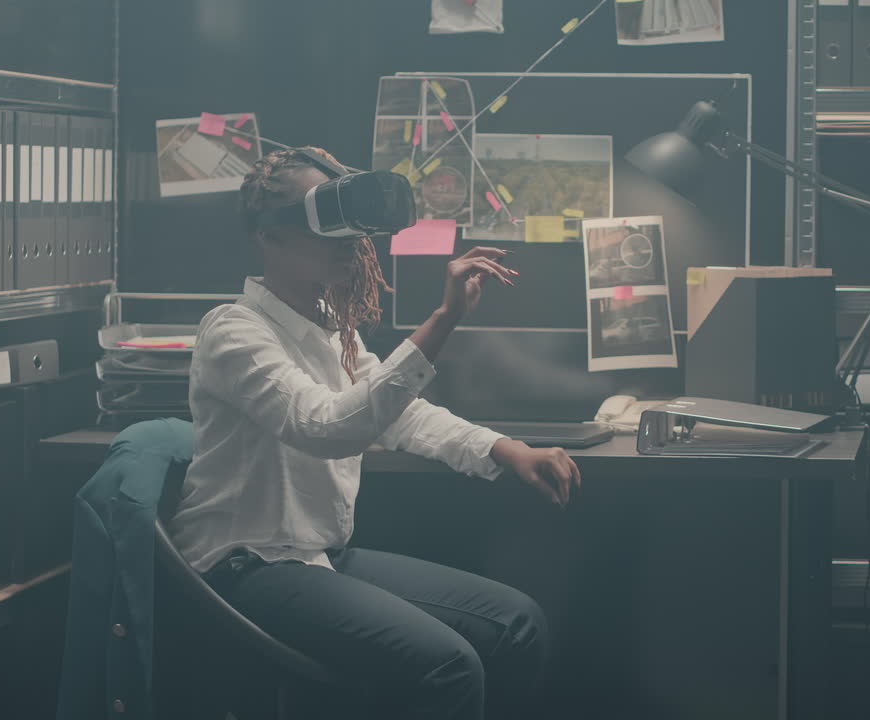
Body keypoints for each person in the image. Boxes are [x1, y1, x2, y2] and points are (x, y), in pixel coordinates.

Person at [167, 146, 581, 719]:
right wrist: (442, 320)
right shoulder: (234, 332)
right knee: (449, 665)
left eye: (350, 229)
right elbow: (325, 426)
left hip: (318, 555)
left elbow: (398, 411)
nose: (349, 243)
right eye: (328, 229)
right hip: (248, 564)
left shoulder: (331, 328)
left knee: (518, 624)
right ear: (271, 237)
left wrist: (504, 450)